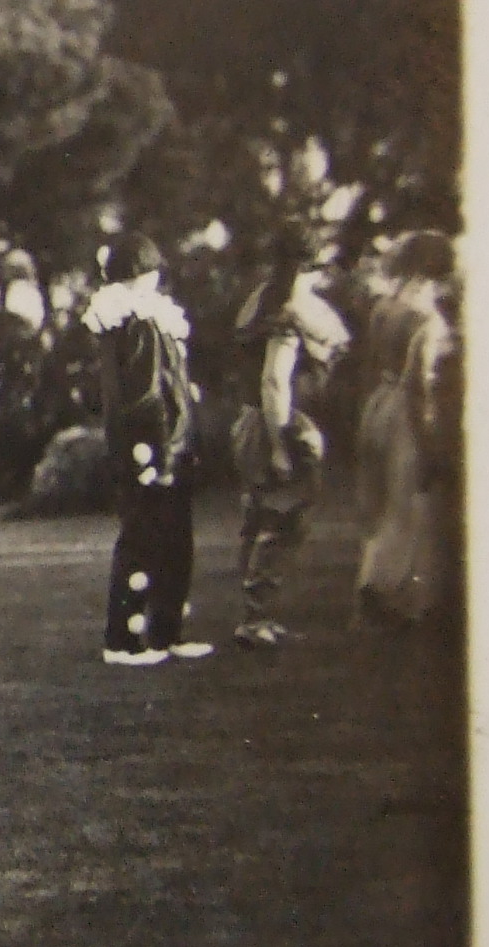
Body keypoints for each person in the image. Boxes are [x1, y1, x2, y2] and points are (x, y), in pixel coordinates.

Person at [83, 233, 205, 667]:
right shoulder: (137, 323)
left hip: (157, 442)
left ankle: (164, 631)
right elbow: (147, 395)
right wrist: (163, 450)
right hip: (151, 446)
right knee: (146, 536)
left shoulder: (137, 321)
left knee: (168, 538)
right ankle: (126, 639)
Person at [227, 228, 351, 649]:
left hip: (248, 420)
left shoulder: (258, 299)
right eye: (315, 269)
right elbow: (274, 382)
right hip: (276, 422)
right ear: (303, 267)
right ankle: (256, 617)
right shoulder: (287, 311)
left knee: (259, 517)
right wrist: (281, 445)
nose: (318, 278)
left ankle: (255, 615)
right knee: (282, 520)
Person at [355, 230, 461, 628]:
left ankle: (374, 580)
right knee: (407, 501)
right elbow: (417, 383)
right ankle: (390, 590)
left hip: (377, 401)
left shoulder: (383, 306)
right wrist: (428, 433)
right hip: (401, 403)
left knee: (381, 500)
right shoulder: (424, 317)